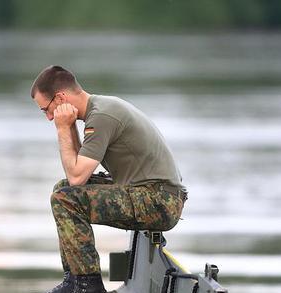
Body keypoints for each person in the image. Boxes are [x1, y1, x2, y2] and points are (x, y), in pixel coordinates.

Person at [31, 65, 187, 293]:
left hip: (160, 201)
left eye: (46, 109)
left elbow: (77, 178)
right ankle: (74, 278)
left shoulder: (101, 116)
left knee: (66, 198)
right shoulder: (98, 108)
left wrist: (62, 128)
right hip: (151, 193)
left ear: (61, 98)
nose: (48, 117)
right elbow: (76, 178)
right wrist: (71, 125)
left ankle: (88, 285)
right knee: (61, 190)